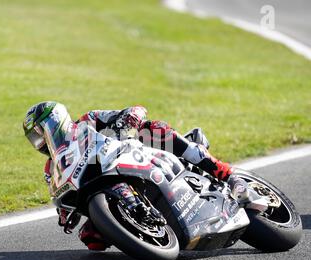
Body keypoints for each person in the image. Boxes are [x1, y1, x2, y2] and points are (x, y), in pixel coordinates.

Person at [23, 101, 248, 251]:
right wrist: (66, 214)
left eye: (41, 132)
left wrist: (128, 119)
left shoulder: (88, 121)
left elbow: (136, 110)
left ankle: (226, 174)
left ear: (56, 120)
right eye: (35, 138)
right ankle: (147, 237)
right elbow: (60, 197)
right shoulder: (52, 167)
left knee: (152, 129)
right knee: (91, 239)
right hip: (103, 188)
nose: (40, 141)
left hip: (136, 156)